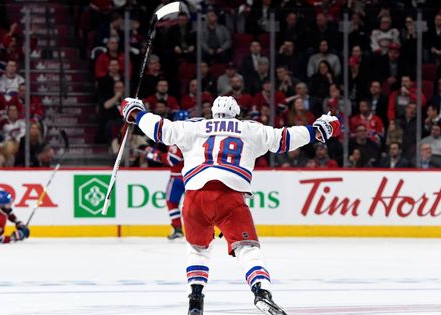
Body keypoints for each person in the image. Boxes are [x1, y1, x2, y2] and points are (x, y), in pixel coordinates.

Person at [119, 95, 339, 315]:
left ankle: (195, 299)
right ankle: (262, 292)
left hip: (195, 198)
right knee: (247, 249)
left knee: (198, 249)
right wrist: (319, 130)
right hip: (229, 197)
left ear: (213, 113)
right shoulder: (250, 129)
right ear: (237, 113)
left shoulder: (194, 127)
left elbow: (160, 129)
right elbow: (285, 138)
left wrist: (135, 112)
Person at [144, 110, 188, 240]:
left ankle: (178, 229)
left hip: (177, 178)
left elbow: (172, 160)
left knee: (171, 202)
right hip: (192, 176)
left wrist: (154, 154)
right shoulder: (195, 136)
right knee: (196, 205)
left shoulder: (177, 138)